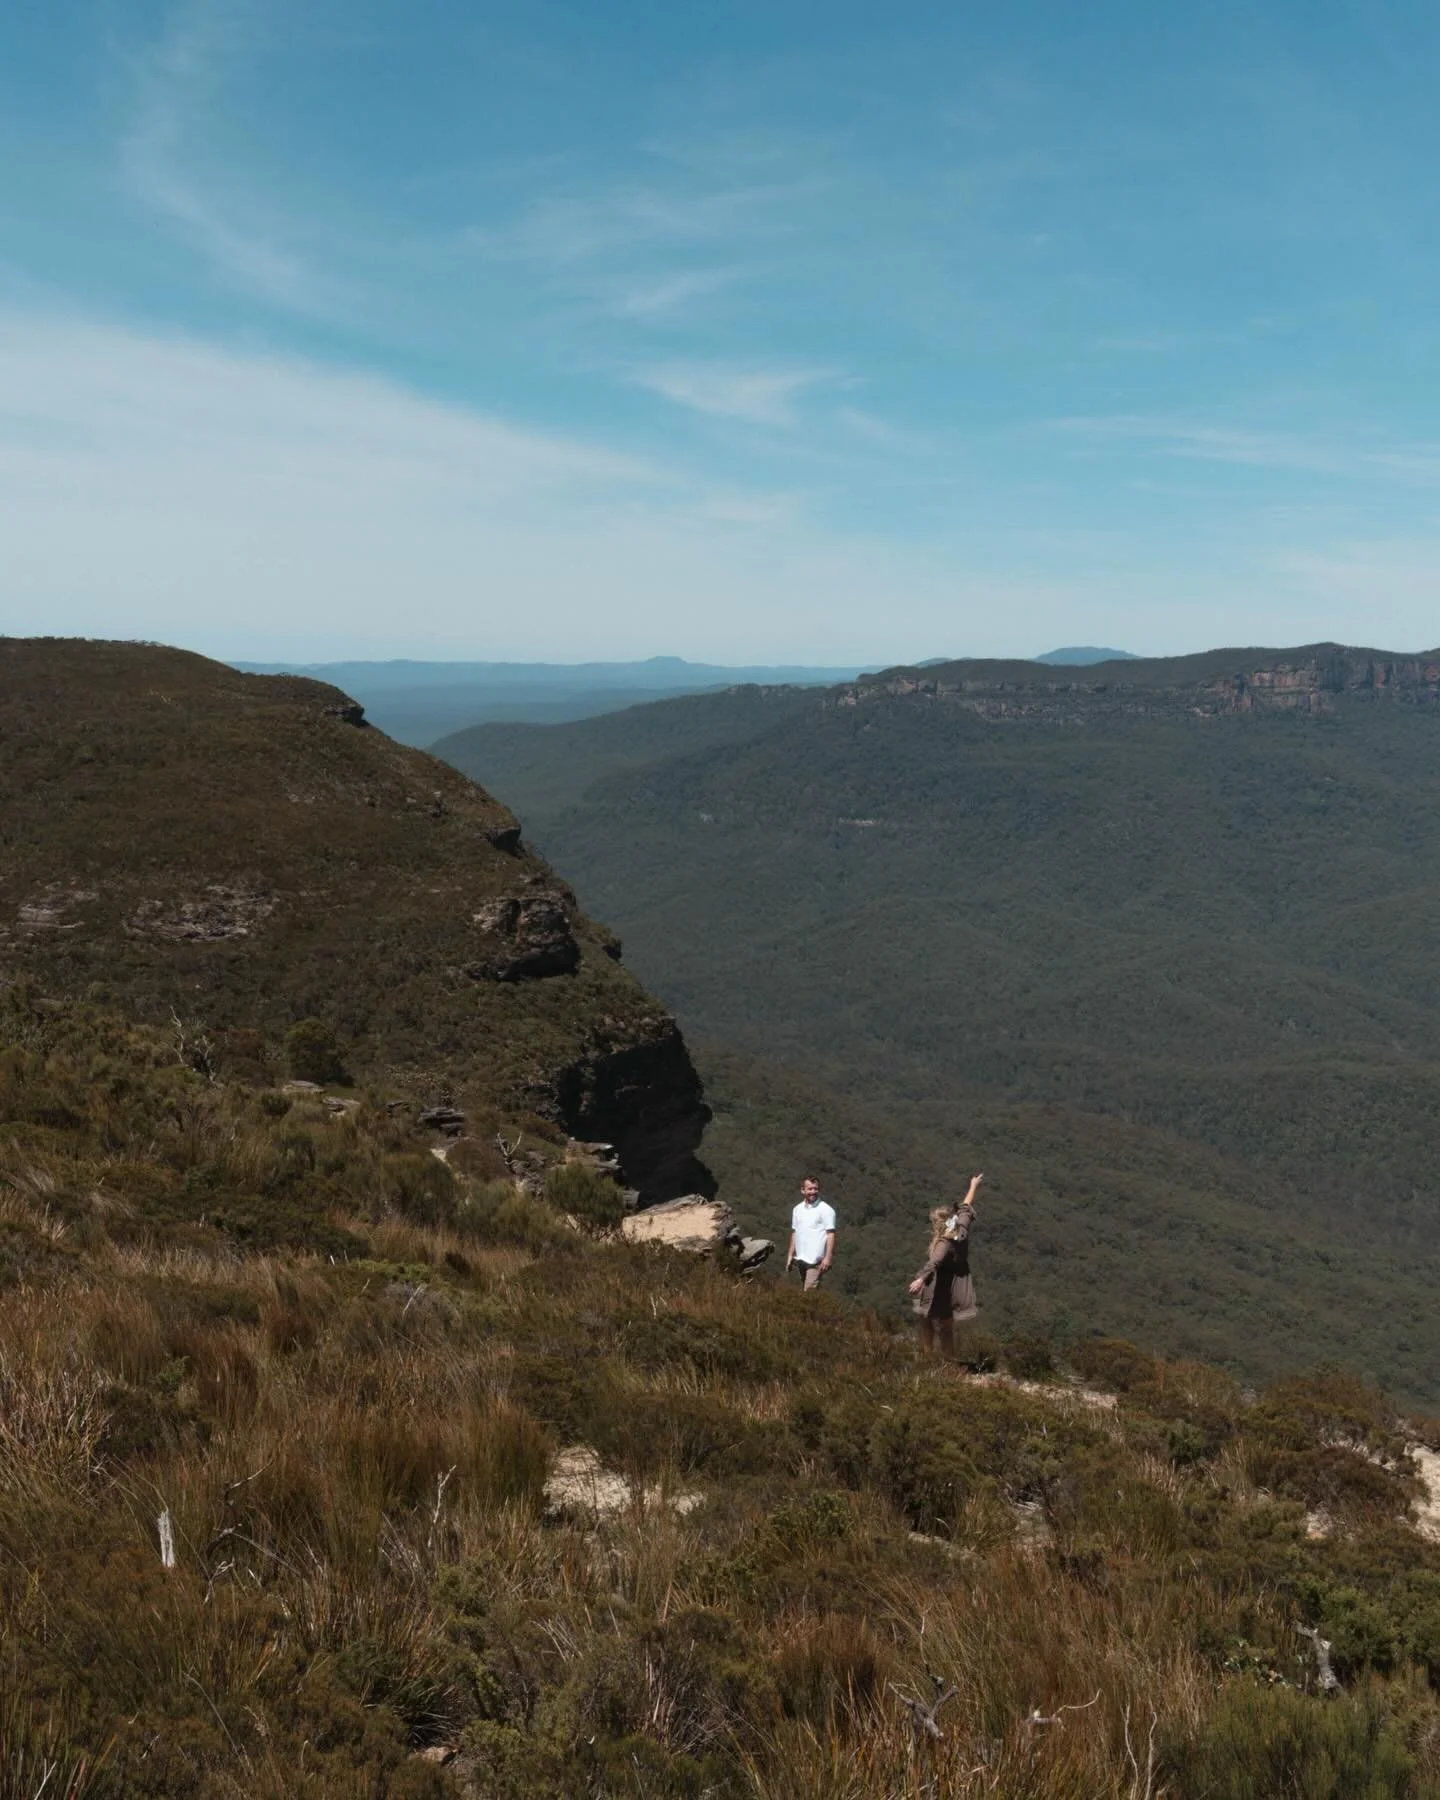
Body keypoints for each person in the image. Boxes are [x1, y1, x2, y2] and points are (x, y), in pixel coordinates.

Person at [908, 1173, 982, 1355]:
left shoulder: (944, 1242)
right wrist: (973, 1186)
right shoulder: (959, 1227)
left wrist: (919, 1280)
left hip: (939, 1286)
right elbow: (965, 1208)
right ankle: (948, 1363)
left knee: (926, 1318)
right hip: (958, 1285)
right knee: (946, 1325)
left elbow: (935, 1261)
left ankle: (929, 1355)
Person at [786, 1177, 836, 1289]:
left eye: (816, 1189)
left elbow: (831, 1234)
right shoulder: (797, 1209)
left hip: (816, 1261)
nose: (813, 1192)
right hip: (801, 1259)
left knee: (809, 1292)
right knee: (804, 1292)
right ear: (803, 1190)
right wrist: (790, 1255)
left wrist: (828, 1257)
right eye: (810, 1189)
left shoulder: (826, 1210)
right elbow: (795, 1232)